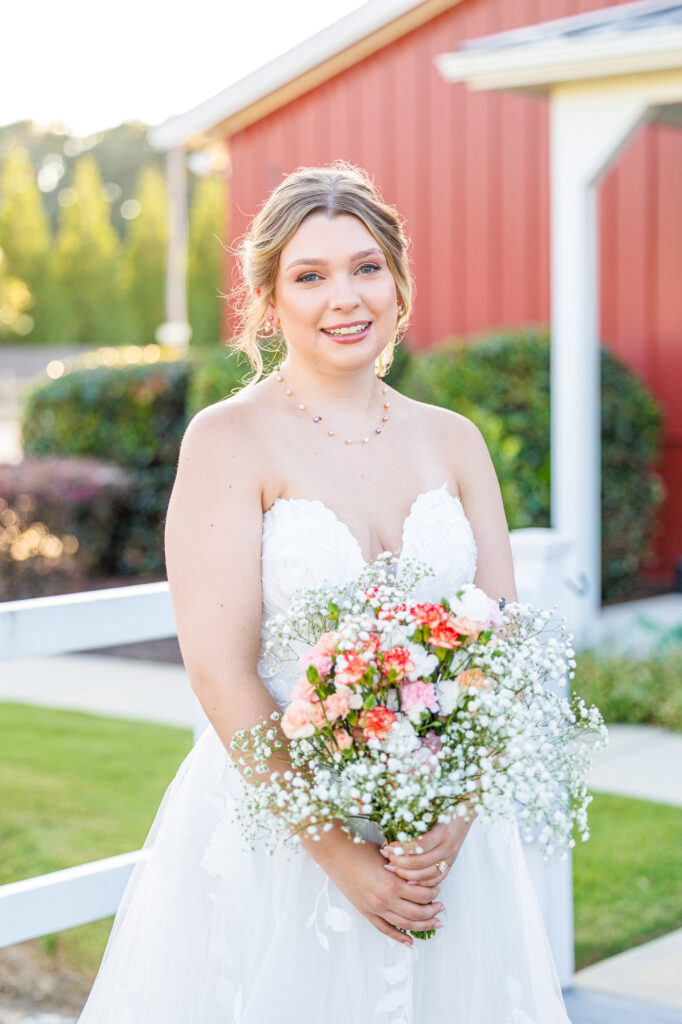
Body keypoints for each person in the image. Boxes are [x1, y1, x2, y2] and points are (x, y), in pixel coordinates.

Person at [77, 160, 572, 1022]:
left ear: (399, 285)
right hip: (285, 841)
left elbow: (503, 651)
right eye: (310, 276)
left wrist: (449, 823)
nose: (345, 297)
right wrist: (340, 856)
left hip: (446, 847)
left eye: (366, 267)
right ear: (269, 301)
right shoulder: (228, 441)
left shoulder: (455, 443)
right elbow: (220, 673)